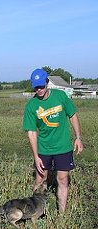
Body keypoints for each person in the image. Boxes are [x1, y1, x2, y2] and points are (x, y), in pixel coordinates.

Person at [23, 68, 83, 213]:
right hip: (44, 149)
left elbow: (73, 115)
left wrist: (78, 138)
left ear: (47, 83)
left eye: (41, 86)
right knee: (40, 179)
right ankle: (34, 212)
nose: (39, 90)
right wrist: (36, 156)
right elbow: (31, 132)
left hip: (63, 147)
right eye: (36, 87)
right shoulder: (31, 106)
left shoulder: (61, 96)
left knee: (62, 179)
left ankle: (62, 214)